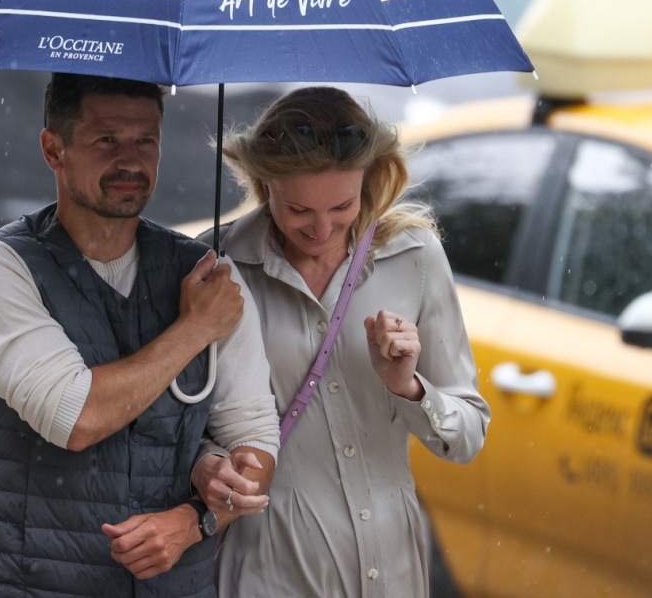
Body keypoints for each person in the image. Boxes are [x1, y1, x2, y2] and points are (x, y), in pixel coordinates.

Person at [0, 72, 280, 597]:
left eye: (146, 141)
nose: (131, 162)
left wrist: (195, 520)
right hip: (31, 583)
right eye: (107, 140)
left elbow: (255, 441)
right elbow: (75, 416)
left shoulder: (207, 276)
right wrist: (194, 329)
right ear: (53, 149)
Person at [192, 86, 490, 597]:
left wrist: (409, 388)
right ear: (265, 183)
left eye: (342, 205)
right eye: (298, 209)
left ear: (368, 181)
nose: (322, 228)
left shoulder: (415, 257)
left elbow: (467, 436)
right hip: (270, 569)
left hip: (391, 571)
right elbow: (176, 424)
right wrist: (206, 464)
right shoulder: (217, 267)